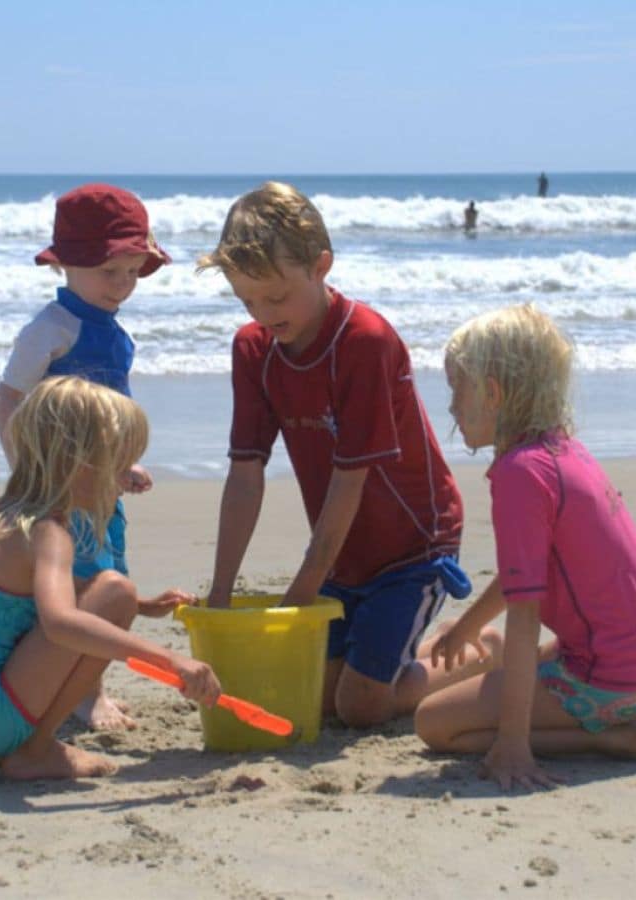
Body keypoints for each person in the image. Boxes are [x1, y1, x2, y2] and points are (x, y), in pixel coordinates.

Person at [197, 182, 500, 729]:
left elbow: (349, 479)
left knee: (360, 707)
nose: (264, 315)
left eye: (277, 296)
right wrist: (219, 592)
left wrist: (300, 594)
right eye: (247, 300)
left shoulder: (364, 341)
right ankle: (425, 648)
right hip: (343, 554)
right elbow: (245, 474)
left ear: (321, 266)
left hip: (413, 547)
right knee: (315, 698)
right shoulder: (254, 350)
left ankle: (480, 652)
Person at [414, 304, 636, 790]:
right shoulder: (562, 451)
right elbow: (523, 576)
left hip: (608, 678)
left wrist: (513, 742)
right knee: (499, 663)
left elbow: (525, 613)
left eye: (457, 389)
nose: (450, 406)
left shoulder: (520, 475)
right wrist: (469, 626)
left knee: (436, 723)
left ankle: (618, 739)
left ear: (492, 394)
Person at [0, 376, 220, 779]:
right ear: (77, 462)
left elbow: (21, 605)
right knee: (116, 591)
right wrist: (171, 659)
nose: (126, 478)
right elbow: (61, 622)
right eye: (119, 463)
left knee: (116, 595)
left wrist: (143, 607)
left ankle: (20, 746)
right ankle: (35, 750)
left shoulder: (0, 520)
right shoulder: (49, 532)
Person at [0, 183, 174, 731]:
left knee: (109, 576)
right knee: (78, 587)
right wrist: (29, 474)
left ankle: (84, 687)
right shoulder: (52, 328)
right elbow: (9, 400)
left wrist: (121, 467)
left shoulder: (115, 334)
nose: (120, 286)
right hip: (58, 488)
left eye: (131, 273)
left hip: (102, 488)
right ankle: (82, 694)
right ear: (67, 264)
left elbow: (109, 417)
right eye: (108, 271)